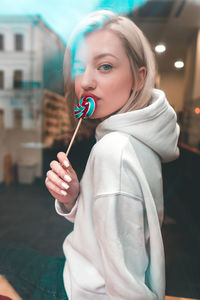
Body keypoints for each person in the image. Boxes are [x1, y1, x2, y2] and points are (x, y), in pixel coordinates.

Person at [0, 10, 180, 300]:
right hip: (84, 271)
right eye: (79, 67)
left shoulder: (113, 151)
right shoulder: (141, 141)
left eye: (105, 66)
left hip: (78, 291)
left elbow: (126, 285)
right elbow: (116, 228)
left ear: (138, 77)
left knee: (6, 255)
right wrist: (74, 199)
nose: (85, 82)